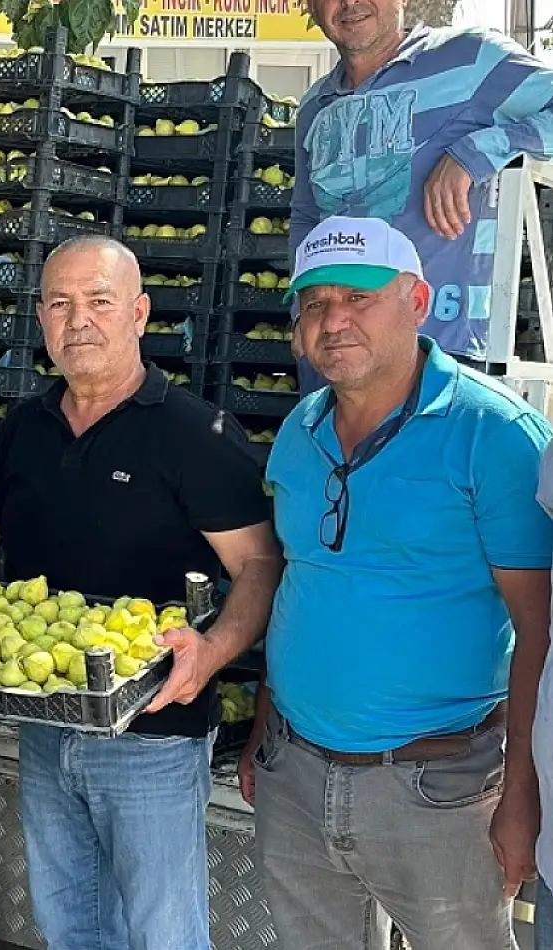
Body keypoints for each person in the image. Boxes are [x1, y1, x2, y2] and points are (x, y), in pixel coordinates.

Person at [0, 236, 283, 950]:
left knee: (163, 933)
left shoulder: (195, 434)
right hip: (47, 720)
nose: (77, 319)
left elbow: (261, 566)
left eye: (99, 301)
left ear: (140, 314)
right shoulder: (25, 428)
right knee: (70, 928)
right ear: (42, 319)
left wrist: (210, 653)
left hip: (150, 728)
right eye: (59, 303)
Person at [243, 216, 552, 950]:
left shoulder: (495, 435)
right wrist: (263, 730)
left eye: (359, 297)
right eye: (314, 304)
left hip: (437, 787)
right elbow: (297, 583)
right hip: (294, 769)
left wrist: (522, 794)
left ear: (417, 302)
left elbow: (540, 630)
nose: (334, 320)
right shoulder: (300, 429)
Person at [292, 0, 553, 391]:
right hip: (336, 355)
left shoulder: (471, 56)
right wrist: (301, 312)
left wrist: (475, 152)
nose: (349, 3)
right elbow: (305, 218)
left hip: (441, 356)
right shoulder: (315, 106)